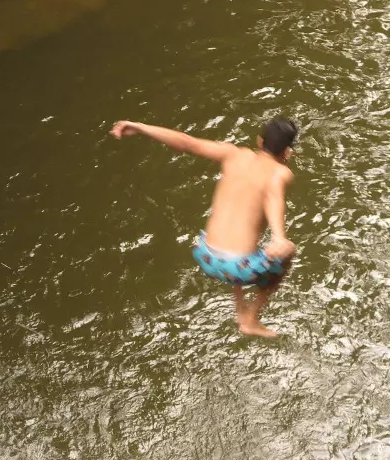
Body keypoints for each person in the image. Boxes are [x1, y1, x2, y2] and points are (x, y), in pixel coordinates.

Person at [110, 117, 299, 337]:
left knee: (239, 234)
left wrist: (140, 127)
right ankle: (250, 318)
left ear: (259, 140)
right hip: (238, 268)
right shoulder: (280, 173)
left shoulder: (233, 154)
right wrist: (279, 237)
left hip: (205, 254)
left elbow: (185, 142)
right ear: (287, 152)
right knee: (287, 253)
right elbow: (273, 195)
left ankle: (239, 306)